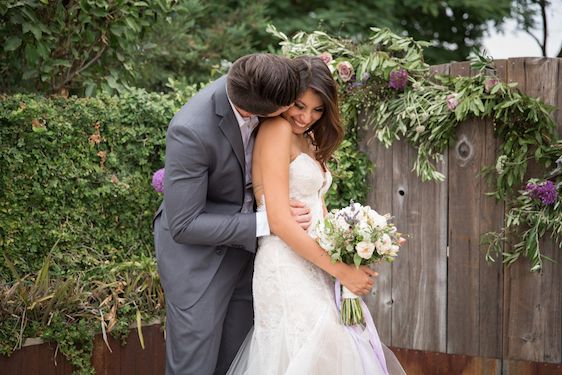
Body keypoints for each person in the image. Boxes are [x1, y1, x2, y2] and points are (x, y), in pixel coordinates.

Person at [226, 56, 406, 374]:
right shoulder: (277, 129)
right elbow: (279, 221)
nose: (306, 117)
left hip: (316, 262)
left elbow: (318, 204)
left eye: (318, 109)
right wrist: (341, 271)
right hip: (287, 265)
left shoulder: (307, 137)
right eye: (299, 105)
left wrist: (352, 244)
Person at [153, 53, 317, 375]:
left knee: (240, 361)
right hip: (198, 262)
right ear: (263, 110)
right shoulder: (190, 129)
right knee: (194, 366)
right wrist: (267, 222)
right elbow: (184, 224)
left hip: (251, 259)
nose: (297, 116)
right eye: (290, 108)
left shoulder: (263, 84)